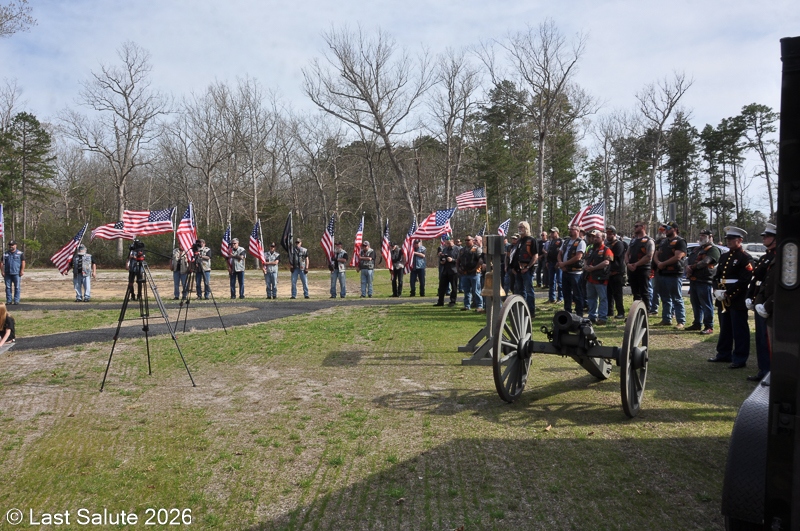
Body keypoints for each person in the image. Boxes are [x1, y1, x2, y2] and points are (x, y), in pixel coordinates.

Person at [708, 227, 754, 369]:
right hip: (722, 297)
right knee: (725, 327)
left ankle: (740, 358)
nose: (729, 241)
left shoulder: (745, 258)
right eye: (727, 239)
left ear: (740, 240)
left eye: (732, 239)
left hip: (736, 297)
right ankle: (723, 354)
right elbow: (716, 276)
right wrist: (716, 289)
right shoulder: (724, 256)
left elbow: (745, 280)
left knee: (739, 329)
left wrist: (729, 293)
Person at [745, 223, 777, 381]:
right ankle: (763, 370)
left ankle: (770, 372)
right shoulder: (765, 257)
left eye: (768, 236)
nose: (764, 238)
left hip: (769, 304)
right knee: (761, 339)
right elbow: (757, 280)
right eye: (764, 236)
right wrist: (750, 296)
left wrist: (766, 304)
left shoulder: (778, 257)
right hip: (760, 301)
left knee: (769, 340)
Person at [653, 221, 687, 329]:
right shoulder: (663, 242)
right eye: (665, 228)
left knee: (676, 298)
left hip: (674, 273)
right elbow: (656, 254)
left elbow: (678, 256)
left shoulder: (680, 241)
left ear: (675, 229)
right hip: (662, 273)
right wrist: (658, 263)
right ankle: (666, 319)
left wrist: (663, 264)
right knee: (665, 298)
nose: (666, 230)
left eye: (668, 228)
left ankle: (681, 321)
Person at [685, 229, 720, 334]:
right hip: (694, 280)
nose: (701, 237)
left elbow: (706, 262)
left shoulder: (713, 250)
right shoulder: (698, 249)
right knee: (695, 304)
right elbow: (687, 259)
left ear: (710, 237)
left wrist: (692, 267)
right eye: (700, 235)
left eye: (704, 235)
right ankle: (697, 323)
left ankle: (709, 326)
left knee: (706, 304)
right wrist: (687, 266)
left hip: (704, 280)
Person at [583, 230, 613, 325]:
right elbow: (586, 259)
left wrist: (594, 268)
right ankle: (592, 316)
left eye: (597, 237)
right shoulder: (591, 249)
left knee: (602, 298)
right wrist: (586, 266)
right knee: (591, 298)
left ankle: (602, 317)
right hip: (590, 278)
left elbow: (607, 262)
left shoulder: (606, 249)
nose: (595, 239)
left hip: (600, 278)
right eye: (594, 237)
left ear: (603, 239)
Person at [626, 221, 655, 314]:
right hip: (632, 269)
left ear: (643, 227)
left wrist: (636, 264)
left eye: (636, 226)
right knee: (635, 292)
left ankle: (646, 311)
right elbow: (627, 254)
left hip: (643, 269)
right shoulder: (633, 241)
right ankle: (636, 312)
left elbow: (649, 256)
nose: (634, 228)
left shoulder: (649, 241)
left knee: (644, 291)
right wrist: (628, 264)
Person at [558, 224, 586, 316]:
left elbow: (578, 257)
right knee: (566, 293)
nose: (570, 231)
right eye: (569, 229)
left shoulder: (581, 242)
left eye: (572, 229)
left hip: (576, 272)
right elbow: (560, 253)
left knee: (577, 294)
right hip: (565, 271)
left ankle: (579, 314)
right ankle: (567, 312)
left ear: (578, 231)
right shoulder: (566, 241)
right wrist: (561, 264)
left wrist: (564, 264)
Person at [512, 221, 537, 316]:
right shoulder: (519, 241)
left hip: (527, 270)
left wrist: (528, 267)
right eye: (519, 227)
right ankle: (521, 310)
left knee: (529, 291)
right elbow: (515, 255)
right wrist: (513, 268)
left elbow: (535, 256)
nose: (519, 229)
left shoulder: (532, 240)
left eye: (521, 227)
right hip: (518, 270)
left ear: (526, 228)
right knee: (519, 291)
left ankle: (531, 311)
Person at [604, 226, 626, 320]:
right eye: (607, 234)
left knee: (617, 294)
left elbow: (614, 257)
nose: (608, 235)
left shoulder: (618, 244)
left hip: (617, 272)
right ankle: (610, 311)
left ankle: (621, 312)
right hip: (608, 273)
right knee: (608, 294)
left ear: (614, 234)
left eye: (610, 234)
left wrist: (606, 257)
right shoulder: (607, 244)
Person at [458, 235, 484, 312]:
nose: (467, 241)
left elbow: (480, 260)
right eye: (465, 240)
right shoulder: (462, 250)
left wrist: (475, 269)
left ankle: (479, 306)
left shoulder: (477, 249)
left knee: (476, 291)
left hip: (474, 273)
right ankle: (467, 305)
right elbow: (458, 260)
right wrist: (458, 268)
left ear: (472, 240)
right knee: (466, 290)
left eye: (468, 240)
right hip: (465, 273)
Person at [434, 236, 459, 307]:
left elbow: (460, 260)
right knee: (441, 287)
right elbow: (442, 258)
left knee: (454, 287)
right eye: (447, 243)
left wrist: (452, 260)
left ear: (452, 241)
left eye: (449, 243)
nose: (448, 244)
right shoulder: (445, 249)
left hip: (453, 271)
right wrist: (442, 261)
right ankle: (440, 301)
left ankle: (452, 301)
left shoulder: (458, 249)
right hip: (445, 270)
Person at [1, 241, 25, 305]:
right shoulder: (5, 254)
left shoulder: (20, 253)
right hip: (7, 273)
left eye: (12, 245)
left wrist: (22, 270)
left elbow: (23, 262)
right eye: (10, 245)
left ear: (16, 245)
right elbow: (2, 263)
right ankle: (9, 300)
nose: (11, 246)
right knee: (8, 287)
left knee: (17, 287)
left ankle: (16, 300)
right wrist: (2, 271)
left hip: (16, 273)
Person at [546, 228, 563, 303]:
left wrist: (559, 262)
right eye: (551, 232)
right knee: (551, 281)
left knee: (559, 281)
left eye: (553, 232)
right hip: (551, 263)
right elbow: (548, 252)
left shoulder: (561, 241)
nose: (552, 234)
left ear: (557, 232)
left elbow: (562, 252)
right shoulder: (551, 241)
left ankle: (560, 297)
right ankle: (552, 298)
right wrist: (547, 261)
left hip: (557, 263)